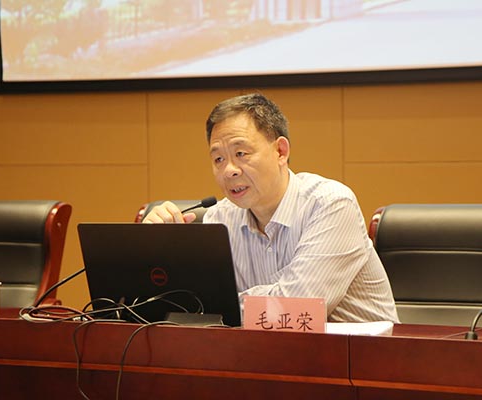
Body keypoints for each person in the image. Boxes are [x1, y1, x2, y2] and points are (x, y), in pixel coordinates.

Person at [143, 93, 399, 323]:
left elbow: (297, 307)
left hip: (364, 356)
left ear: (280, 151)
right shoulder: (220, 218)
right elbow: (195, 304)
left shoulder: (331, 204)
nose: (229, 170)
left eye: (241, 154)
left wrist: (220, 305)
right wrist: (158, 248)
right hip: (268, 354)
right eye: (218, 159)